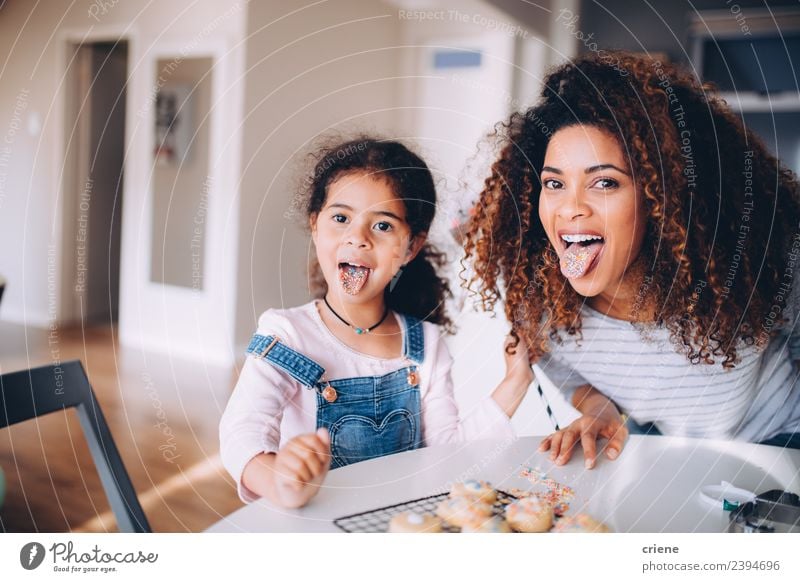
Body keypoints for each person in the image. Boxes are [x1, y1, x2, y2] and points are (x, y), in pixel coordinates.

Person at [464, 52, 800, 470]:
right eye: (554, 183)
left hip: (779, 443)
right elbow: (577, 381)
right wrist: (601, 414)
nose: (570, 208)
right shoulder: (541, 306)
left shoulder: (753, 267)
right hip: (670, 453)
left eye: (604, 182)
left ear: (663, 199)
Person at [220, 137, 533, 508]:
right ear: (316, 226)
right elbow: (241, 433)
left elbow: (449, 457)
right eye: (340, 219)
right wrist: (279, 478)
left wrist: (516, 381)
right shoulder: (286, 336)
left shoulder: (426, 345)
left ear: (410, 248)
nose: (357, 237)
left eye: (382, 226)